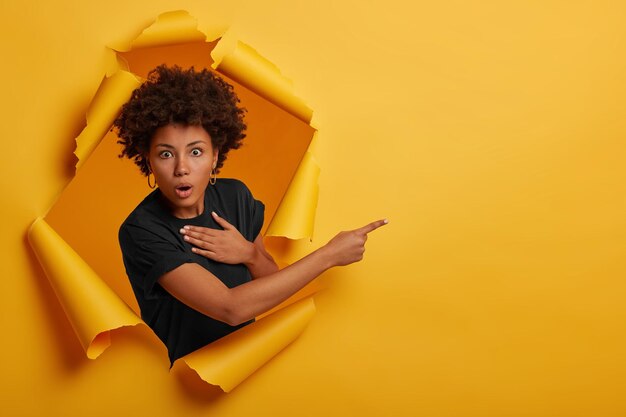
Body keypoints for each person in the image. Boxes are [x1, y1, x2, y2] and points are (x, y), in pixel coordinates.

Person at [114, 65, 387, 366]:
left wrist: (249, 254)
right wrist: (329, 255)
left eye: (196, 152)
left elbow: (271, 282)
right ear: (148, 160)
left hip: (251, 363)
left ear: (215, 156)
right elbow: (230, 309)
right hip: (190, 381)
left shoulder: (235, 197)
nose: (181, 168)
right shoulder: (142, 230)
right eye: (166, 154)